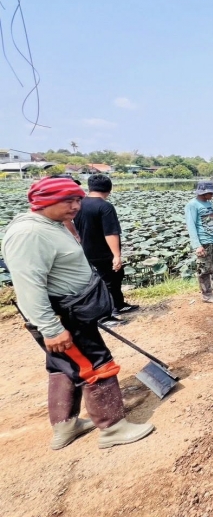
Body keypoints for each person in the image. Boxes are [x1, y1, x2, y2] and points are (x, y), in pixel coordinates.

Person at [1, 177, 154, 450]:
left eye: (78, 200)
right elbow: (29, 286)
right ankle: (113, 428)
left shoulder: (50, 224)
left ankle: (65, 426)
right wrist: (51, 329)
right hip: (63, 317)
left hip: (71, 312)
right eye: (68, 201)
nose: (76, 206)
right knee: (96, 364)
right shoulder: (29, 234)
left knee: (63, 366)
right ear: (45, 201)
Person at [73, 174, 139, 320]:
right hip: (102, 251)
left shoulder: (79, 203)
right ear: (109, 189)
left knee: (113, 277)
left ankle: (118, 305)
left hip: (85, 249)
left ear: (90, 188)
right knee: (110, 281)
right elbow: (110, 233)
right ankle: (108, 313)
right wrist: (116, 255)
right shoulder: (105, 206)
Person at [185, 181, 213, 303]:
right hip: (204, 241)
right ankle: (207, 295)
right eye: (211, 193)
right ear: (204, 193)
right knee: (204, 269)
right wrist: (197, 245)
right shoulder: (192, 205)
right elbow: (191, 226)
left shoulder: (209, 204)